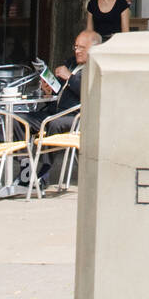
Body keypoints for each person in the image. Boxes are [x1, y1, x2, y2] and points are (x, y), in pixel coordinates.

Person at [16, 30, 100, 187]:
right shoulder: (70, 62)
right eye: (75, 47)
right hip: (52, 112)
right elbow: (59, 90)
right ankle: (25, 169)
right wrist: (48, 88)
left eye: (82, 48)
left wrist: (70, 77)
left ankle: (44, 172)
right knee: (19, 119)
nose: (77, 51)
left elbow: (90, 94)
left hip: (76, 117)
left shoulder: (97, 69)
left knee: (55, 124)